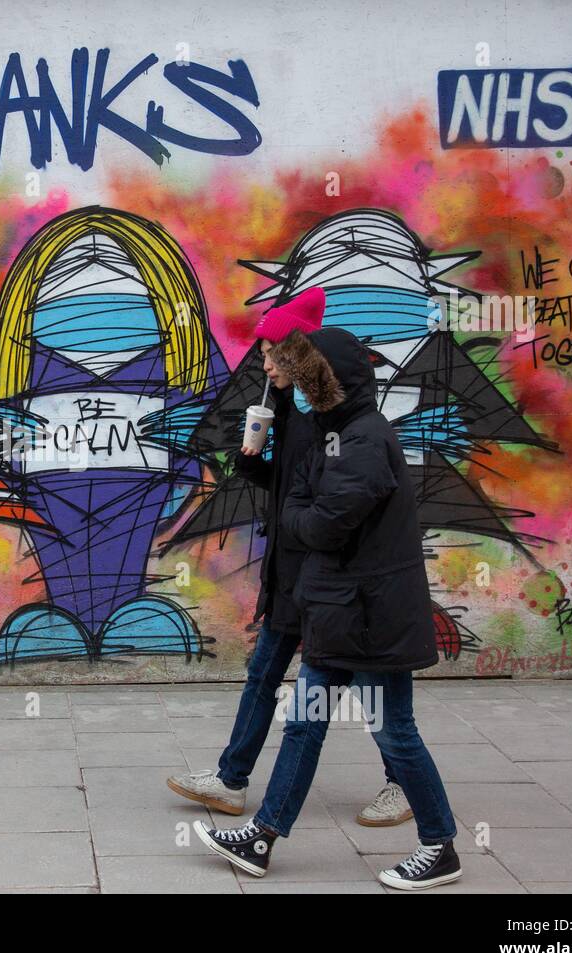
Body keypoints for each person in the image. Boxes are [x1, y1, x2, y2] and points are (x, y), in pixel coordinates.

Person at [194, 326, 462, 891]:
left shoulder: (364, 439)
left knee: (395, 733)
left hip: (372, 622)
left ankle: (440, 846)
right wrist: (291, 491)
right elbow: (306, 496)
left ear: (329, 378)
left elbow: (323, 523)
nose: (292, 379)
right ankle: (263, 837)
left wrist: (294, 506)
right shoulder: (335, 432)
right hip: (339, 612)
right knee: (304, 724)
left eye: (306, 371)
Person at [166, 289, 410, 828]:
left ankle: (403, 782)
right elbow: (292, 483)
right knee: (263, 673)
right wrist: (252, 463)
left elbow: (334, 499)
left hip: (337, 579)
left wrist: (299, 517)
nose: (264, 361)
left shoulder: (330, 413)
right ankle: (232, 780)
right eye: (264, 352)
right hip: (291, 570)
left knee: (373, 690)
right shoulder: (283, 406)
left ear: (299, 355)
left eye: (274, 352)